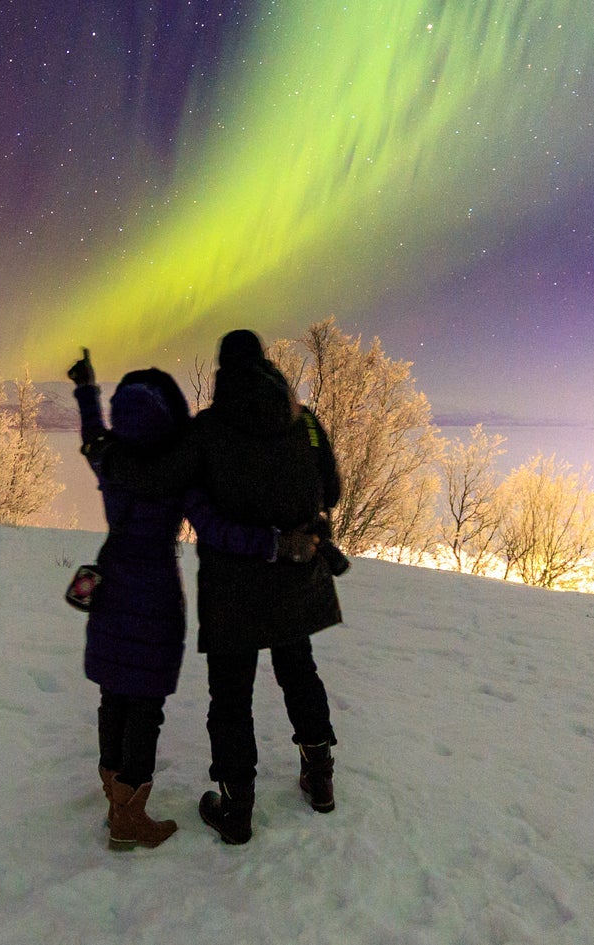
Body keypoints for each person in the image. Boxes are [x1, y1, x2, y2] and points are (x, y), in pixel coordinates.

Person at [83, 329, 344, 846]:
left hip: (233, 589)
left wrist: (106, 455)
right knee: (300, 672)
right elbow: (331, 490)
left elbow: (158, 479)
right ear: (267, 367)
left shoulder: (207, 430)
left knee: (231, 699)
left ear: (224, 372)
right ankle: (320, 780)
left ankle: (236, 807)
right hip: (295, 576)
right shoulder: (306, 421)